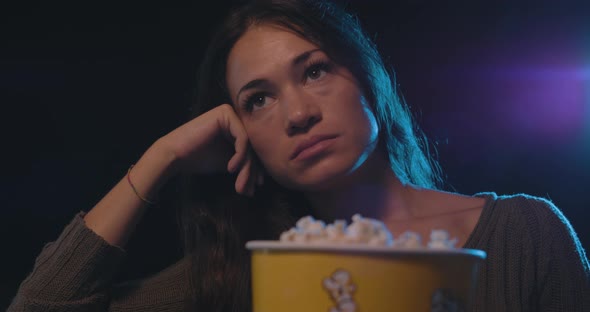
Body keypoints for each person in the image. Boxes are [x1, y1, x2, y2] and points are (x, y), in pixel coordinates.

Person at [8, 0, 590, 311]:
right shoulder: (242, 273)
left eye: (314, 71)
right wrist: (163, 156)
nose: (296, 114)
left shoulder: (524, 234)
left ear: (369, 81)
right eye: (257, 100)